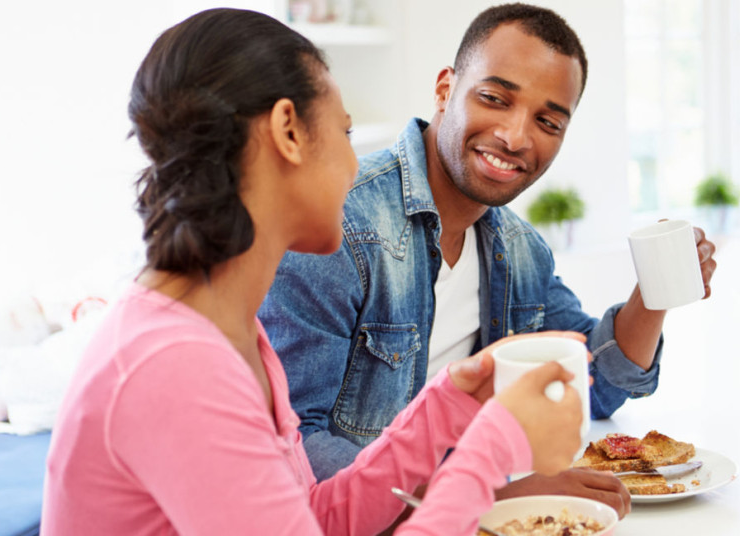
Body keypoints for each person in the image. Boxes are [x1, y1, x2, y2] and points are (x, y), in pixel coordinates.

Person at [40, 8, 586, 535]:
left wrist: (446, 408)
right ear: (288, 132)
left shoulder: (233, 334)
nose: (355, 166)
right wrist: (490, 449)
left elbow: (312, 519)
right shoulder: (176, 365)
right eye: (345, 135)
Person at [260, 2, 716, 510]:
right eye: (495, 98)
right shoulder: (338, 227)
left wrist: (654, 293)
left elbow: (592, 387)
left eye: (548, 121)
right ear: (444, 90)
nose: (517, 136)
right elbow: (296, 450)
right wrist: (488, 495)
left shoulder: (520, 251)